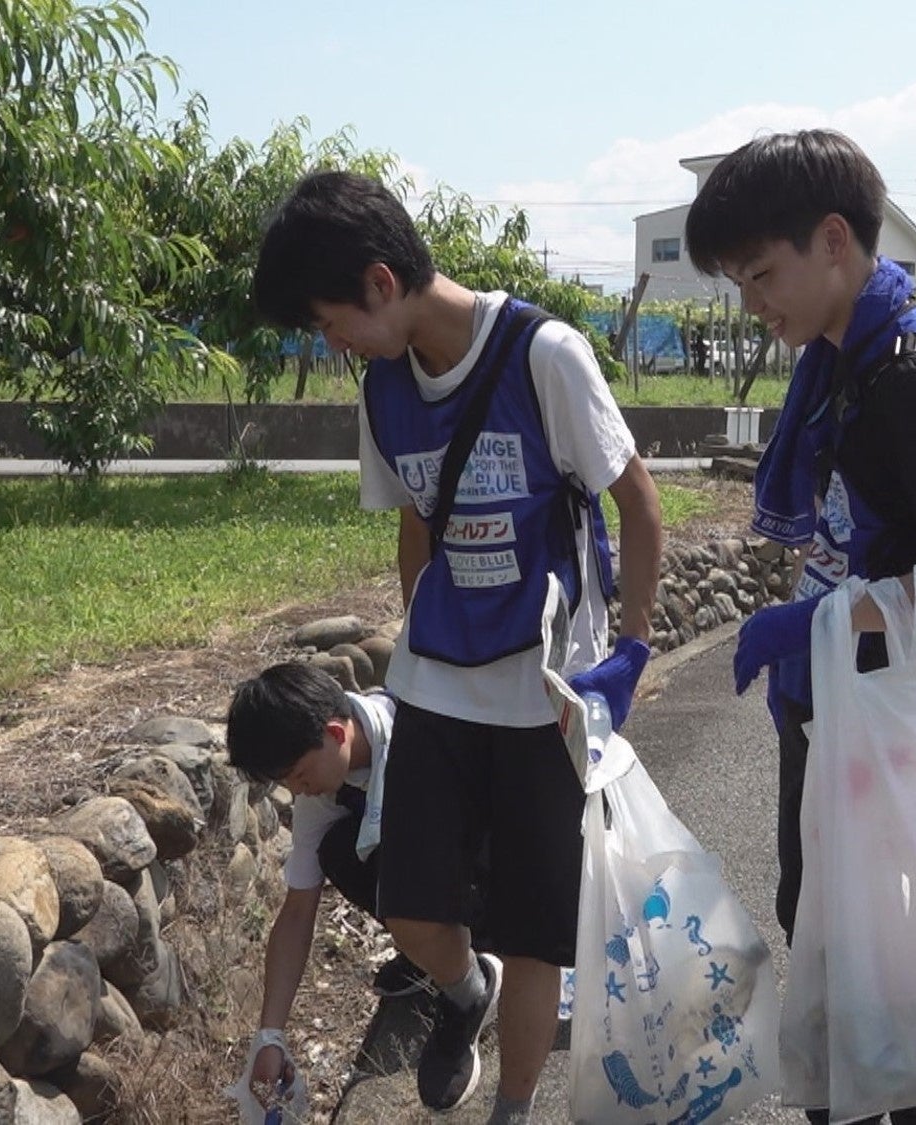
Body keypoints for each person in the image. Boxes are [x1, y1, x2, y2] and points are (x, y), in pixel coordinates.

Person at [251, 169, 665, 1124]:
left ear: (380, 283)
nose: (332, 343)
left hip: (542, 696)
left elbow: (635, 501)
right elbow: (414, 525)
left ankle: (511, 1109)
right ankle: (459, 991)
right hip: (436, 687)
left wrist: (632, 649)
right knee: (410, 906)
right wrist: (420, 638)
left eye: (329, 319)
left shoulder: (543, 355)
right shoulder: (385, 395)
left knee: (534, 935)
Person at [703, 128, 916, 1125]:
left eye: (764, 272)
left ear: (836, 242)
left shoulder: (907, 377)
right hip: (859, 716)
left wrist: (817, 617)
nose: (753, 300)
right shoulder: (843, 361)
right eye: (740, 280)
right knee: (855, 978)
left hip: (907, 741)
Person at [221, 662, 429, 1119]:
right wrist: (269, 1035)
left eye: (297, 775)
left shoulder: (421, 730)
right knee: (338, 849)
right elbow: (297, 910)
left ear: (336, 732)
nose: (298, 790)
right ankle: (428, 956)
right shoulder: (323, 795)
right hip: (428, 883)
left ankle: (465, 958)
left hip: (487, 870)